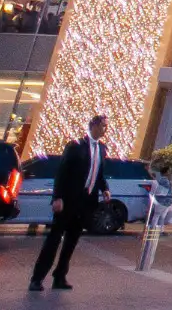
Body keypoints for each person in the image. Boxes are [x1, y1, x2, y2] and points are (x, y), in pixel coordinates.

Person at [29, 113, 111, 291]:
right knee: (54, 238)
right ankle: (37, 278)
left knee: (72, 240)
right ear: (94, 125)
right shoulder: (75, 146)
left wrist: (105, 188)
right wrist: (57, 197)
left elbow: (99, 172)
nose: (106, 129)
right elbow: (62, 173)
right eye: (104, 125)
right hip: (68, 200)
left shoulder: (102, 149)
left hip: (86, 201)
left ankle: (60, 276)